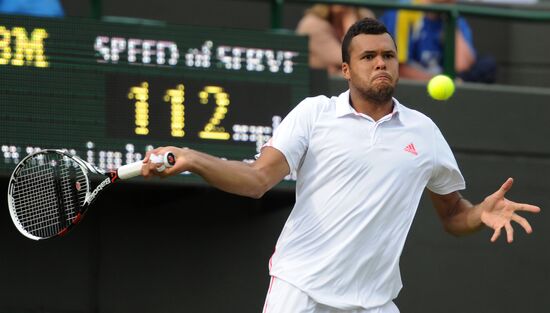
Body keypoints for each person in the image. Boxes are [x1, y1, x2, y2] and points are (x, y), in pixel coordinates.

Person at [142, 18, 539, 313]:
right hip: (301, 292)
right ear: (346, 70)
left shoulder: (425, 131)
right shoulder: (314, 114)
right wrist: (193, 158)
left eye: (388, 55)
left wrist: (478, 213)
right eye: (368, 57)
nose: (380, 63)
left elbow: (453, 214)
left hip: (375, 301)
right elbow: (257, 179)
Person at [379, 0, 496, 83]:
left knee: (487, 65)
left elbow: (462, 66)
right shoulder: (405, 10)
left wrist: (449, 18)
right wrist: (439, 81)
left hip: (445, 84)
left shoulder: (453, 15)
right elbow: (399, 68)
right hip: (415, 86)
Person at [296, 4, 374, 76]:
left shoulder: (364, 16)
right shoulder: (312, 24)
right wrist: (352, 27)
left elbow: (374, 53)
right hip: (319, 86)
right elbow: (348, 58)